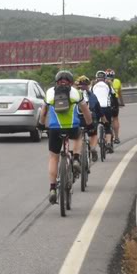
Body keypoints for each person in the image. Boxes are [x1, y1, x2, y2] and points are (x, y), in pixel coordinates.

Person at [37, 70, 94, 204]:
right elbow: (85, 111)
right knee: (79, 137)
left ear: (56, 81)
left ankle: (52, 189)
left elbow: (44, 111)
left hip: (55, 129)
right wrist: (90, 125)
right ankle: (75, 158)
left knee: (53, 157)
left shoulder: (50, 92)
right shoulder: (76, 92)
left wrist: (41, 125)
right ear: (71, 82)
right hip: (72, 127)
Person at [75, 75, 102, 162]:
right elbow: (98, 109)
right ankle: (93, 148)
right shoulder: (92, 96)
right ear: (88, 86)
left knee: (76, 137)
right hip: (90, 119)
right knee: (93, 135)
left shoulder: (74, 95)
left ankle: (75, 156)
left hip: (78, 119)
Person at [90, 70, 115, 153]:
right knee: (107, 126)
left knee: (94, 127)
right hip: (106, 107)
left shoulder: (93, 85)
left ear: (96, 78)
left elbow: (89, 95)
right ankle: (108, 143)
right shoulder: (108, 85)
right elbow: (113, 94)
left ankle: (95, 143)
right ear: (105, 78)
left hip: (96, 107)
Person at [105, 68, 124, 144]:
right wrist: (122, 102)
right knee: (115, 118)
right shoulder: (117, 81)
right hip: (114, 102)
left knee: (104, 119)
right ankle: (116, 137)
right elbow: (119, 93)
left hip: (105, 102)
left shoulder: (103, 82)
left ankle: (104, 136)